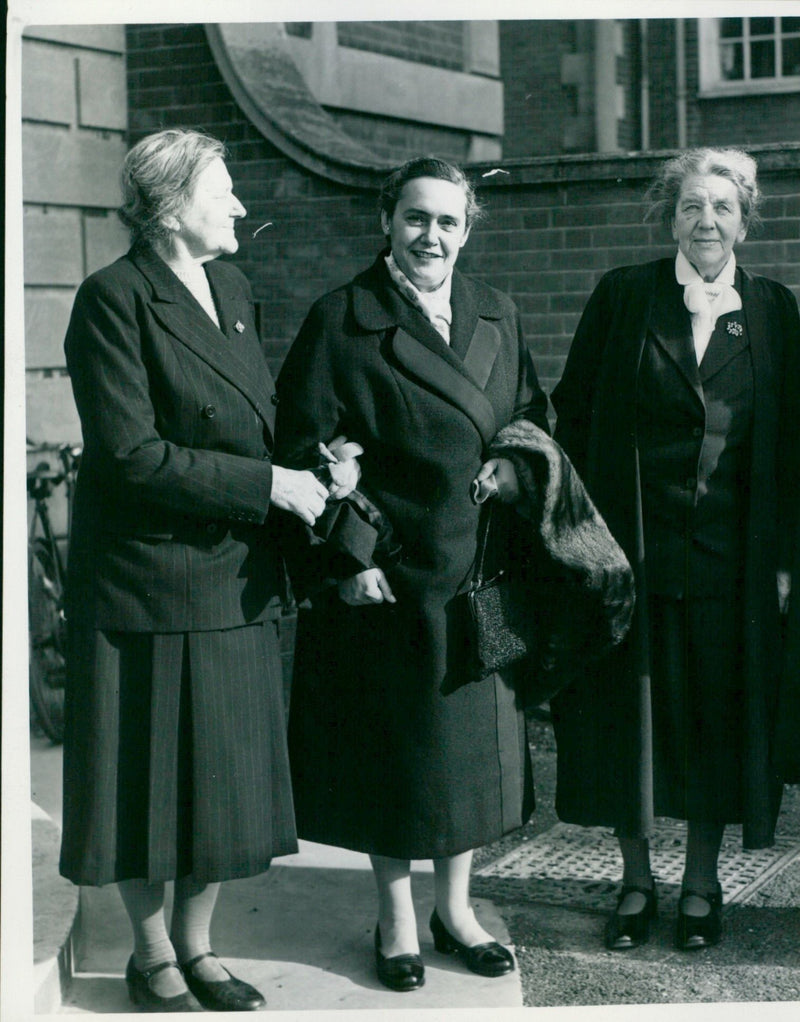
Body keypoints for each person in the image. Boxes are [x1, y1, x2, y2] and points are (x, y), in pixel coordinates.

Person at [58, 129, 358, 1012]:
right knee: (150, 780)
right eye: (222, 191)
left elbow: (249, 424)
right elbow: (130, 456)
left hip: (232, 580)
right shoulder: (111, 300)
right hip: (145, 585)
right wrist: (271, 486)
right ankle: (151, 954)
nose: (238, 207)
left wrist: (313, 462)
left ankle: (200, 948)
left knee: (219, 781)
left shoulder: (230, 287)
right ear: (169, 204)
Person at [274, 157, 550, 991]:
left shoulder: (498, 310)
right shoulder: (342, 320)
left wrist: (514, 465)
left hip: (479, 572)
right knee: (394, 754)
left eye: (448, 222)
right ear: (387, 222)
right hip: (389, 578)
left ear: (468, 231)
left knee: (468, 759)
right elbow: (298, 452)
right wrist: (342, 564)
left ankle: (455, 909)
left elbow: (534, 415)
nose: (432, 236)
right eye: (416, 218)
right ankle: (396, 914)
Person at [550, 147, 800, 952]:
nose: (707, 222)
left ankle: (700, 883)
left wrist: (786, 556)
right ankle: (634, 880)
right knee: (632, 723)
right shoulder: (625, 296)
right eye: (692, 206)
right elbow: (575, 409)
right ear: (671, 216)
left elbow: (793, 440)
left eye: (723, 209)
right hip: (632, 558)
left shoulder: (771, 310)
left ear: (745, 220)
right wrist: (581, 537)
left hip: (732, 563)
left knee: (711, 728)